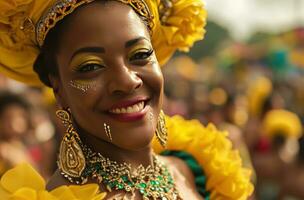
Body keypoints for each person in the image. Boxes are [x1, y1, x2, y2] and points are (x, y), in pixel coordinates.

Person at [0, 0, 253, 199]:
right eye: (90, 66)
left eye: (140, 54)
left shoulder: (201, 171)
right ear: (59, 89)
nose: (127, 81)